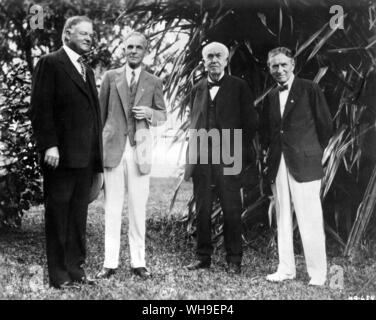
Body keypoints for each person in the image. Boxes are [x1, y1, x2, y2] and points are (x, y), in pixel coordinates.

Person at [30, 16, 103, 289]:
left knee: (77, 217)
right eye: (83, 33)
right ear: (67, 34)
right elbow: (40, 108)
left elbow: (93, 116)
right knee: (58, 215)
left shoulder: (88, 69)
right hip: (59, 157)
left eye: (90, 34)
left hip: (84, 159)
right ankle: (59, 275)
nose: (88, 38)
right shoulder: (50, 63)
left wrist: (97, 160)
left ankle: (76, 270)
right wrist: (49, 144)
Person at [95, 32, 166, 280]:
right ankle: (109, 263)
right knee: (112, 208)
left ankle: (139, 262)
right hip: (113, 148)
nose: (133, 51)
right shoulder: (110, 77)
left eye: (138, 47)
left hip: (140, 150)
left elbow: (162, 116)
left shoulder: (153, 81)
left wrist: (148, 112)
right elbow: (99, 115)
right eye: (129, 47)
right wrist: (98, 149)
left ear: (145, 51)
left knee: (138, 208)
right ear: (124, 50)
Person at [184, 41, 258, 274]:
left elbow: (251, 123)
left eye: (218, 56)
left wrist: (237, 150)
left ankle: (233, 260)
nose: (214, 60)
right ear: (203, 62)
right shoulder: (197, 87)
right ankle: (203, 257)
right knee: (203, 209)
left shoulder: (239, 86)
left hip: (229, 154)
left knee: (231, 208)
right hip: (203, 155)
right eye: (210, 56)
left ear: (226, 61)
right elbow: (194, 121)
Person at [261, 47, 333, 286]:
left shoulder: (310, 88)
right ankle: (285, 269)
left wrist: (311, 152)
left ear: (293, 65)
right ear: (269, 68)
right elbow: (269, 132)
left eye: (283, 65)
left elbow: (325, 127)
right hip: (279, 162)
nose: (279, 70)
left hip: (305, 162)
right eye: (274, 66)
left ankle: (318, 273)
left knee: (310, 217)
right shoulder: (271, 96)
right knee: (282, 217)